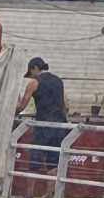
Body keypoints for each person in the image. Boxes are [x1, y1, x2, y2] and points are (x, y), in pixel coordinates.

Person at [19, 52, 70, 186]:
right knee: (53, 162)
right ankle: (49, 194)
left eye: (31, 73)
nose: (31, 76)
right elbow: (65, 106)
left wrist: (12, 111)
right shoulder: (59, 81)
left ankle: (29, 194)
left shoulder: (34, 83)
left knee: (34, 161)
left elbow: (22, 106)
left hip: (43, 126)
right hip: (59, 126)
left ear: (35, 68)